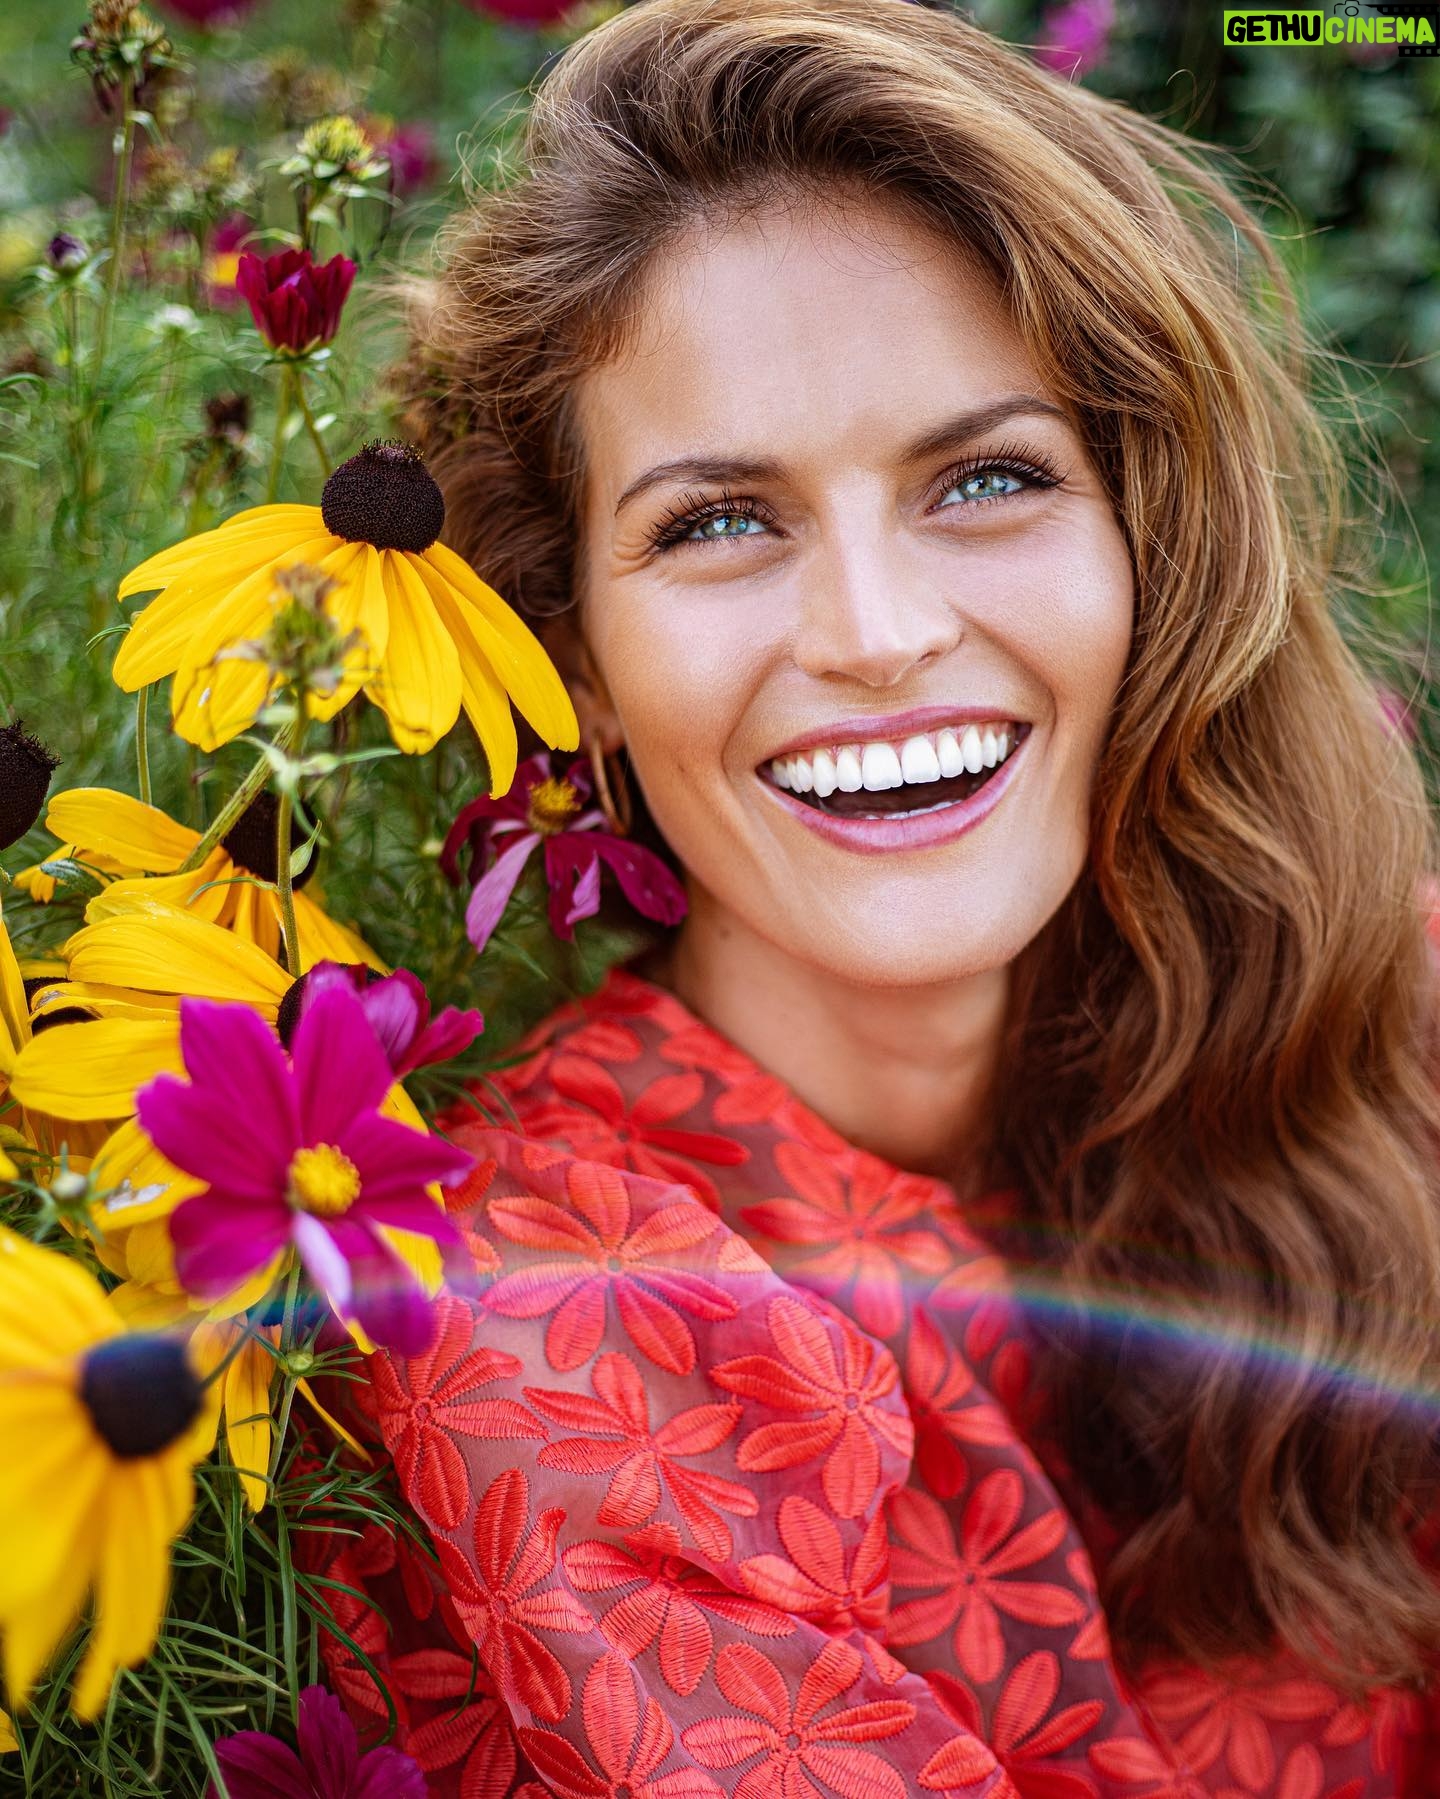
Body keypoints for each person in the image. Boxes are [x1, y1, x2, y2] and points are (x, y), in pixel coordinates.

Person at [305, 0, 1440, 1790]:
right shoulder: (553, 1301)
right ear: (576, 662)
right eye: (718, 521)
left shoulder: (1393, 1009)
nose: (877, 633)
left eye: (988, 479)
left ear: (1147, 545)